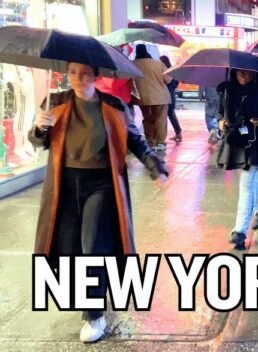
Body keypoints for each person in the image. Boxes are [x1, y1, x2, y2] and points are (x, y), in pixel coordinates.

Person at [30, 62, 168, 343]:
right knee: (68, 249)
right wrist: (39, 128)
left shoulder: (114, 106)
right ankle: (85, 295)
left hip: (102, 185)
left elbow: (134, 140)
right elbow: (39, 141)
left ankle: (93, 314)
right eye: (72, 73)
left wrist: (154, 165)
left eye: (84, 73)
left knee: (93, 246)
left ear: (96, 75)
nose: (78, 79)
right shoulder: (55, 102)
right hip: (65, 185)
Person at [216, 68, 258, 250]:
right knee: (251, 181)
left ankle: (240, 231)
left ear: (256, 72)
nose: (243, 75)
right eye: (239, 72)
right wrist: (221, 122)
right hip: (236, 140)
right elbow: (219, 113)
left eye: (247, 72)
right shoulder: (227, 90)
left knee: (246, 184)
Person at [132, 44, 172, 151]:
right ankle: (161, 142)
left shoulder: (132, 64)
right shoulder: (158, 64)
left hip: (142, 97)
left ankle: (151, 142)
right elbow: (168, 79)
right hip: (160, 97)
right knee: (161, 119)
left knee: (147, 118)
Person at [159, 55, 182, 142]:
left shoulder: (165, 72)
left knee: (167, 115)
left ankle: (176, 133)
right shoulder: (173, 71)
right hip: (171, 94)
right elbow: (176, 82)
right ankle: (178, 133)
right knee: (171, 114)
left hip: (165, 95)